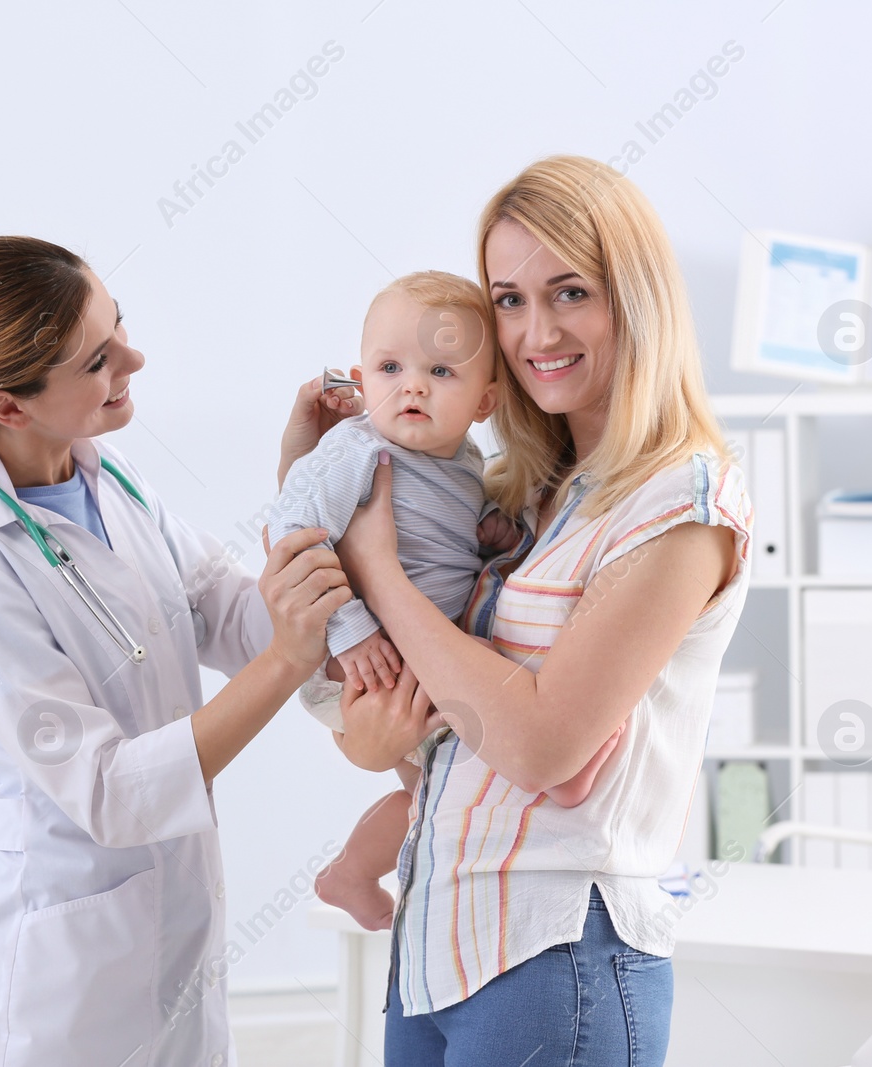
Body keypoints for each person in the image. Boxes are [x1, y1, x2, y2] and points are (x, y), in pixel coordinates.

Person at [0, 235, 357, 1066]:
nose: (135, 357)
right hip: (57, 1001)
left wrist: (306, 486)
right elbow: (112, 792)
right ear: (9, 406)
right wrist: (287, 663)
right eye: (99, 358)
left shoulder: (106, 477)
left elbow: (232, 612)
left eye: (121, 325)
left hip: (170, 949)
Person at [303, 156, 754, 1066]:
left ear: (636, 299)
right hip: (434, 945)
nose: (535, 330)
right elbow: (418, 724)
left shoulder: (678, 504)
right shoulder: (521, 495)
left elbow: (545, 745)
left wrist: (377, 568)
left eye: (570, 292)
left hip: (557, 959)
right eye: (508, 299)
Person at [264, 270, 623, 932]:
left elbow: (461, 529)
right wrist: (349, 633)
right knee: (451, 772)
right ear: (360, 378)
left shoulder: (462, 463)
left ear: (485, 400)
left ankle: (351, 871)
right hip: (359, 661)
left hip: (416, 651)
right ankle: (350, 870)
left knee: (427, 789)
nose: (413, 385)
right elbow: (291, 534)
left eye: (440, 371)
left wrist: (495, 529)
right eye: (390, 366)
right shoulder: (357, 451)